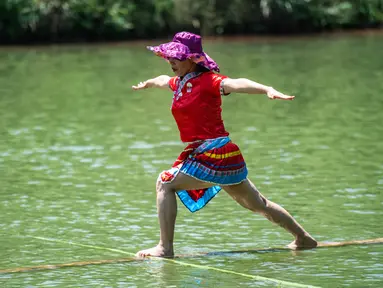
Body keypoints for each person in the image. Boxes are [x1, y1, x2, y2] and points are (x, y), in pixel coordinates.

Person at [132, 31, 317, 258]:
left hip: (215, 153)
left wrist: (267, 89)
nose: (171, 60)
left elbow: (236, 83)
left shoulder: (209, 81)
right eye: (169, 56)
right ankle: (304, 238)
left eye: (177, 57)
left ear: (192, 58)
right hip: (218, 154)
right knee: (257, 204)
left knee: (165, 182)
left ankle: (165, 248)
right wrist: (148, 83)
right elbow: (162, 80)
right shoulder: (180, 82)